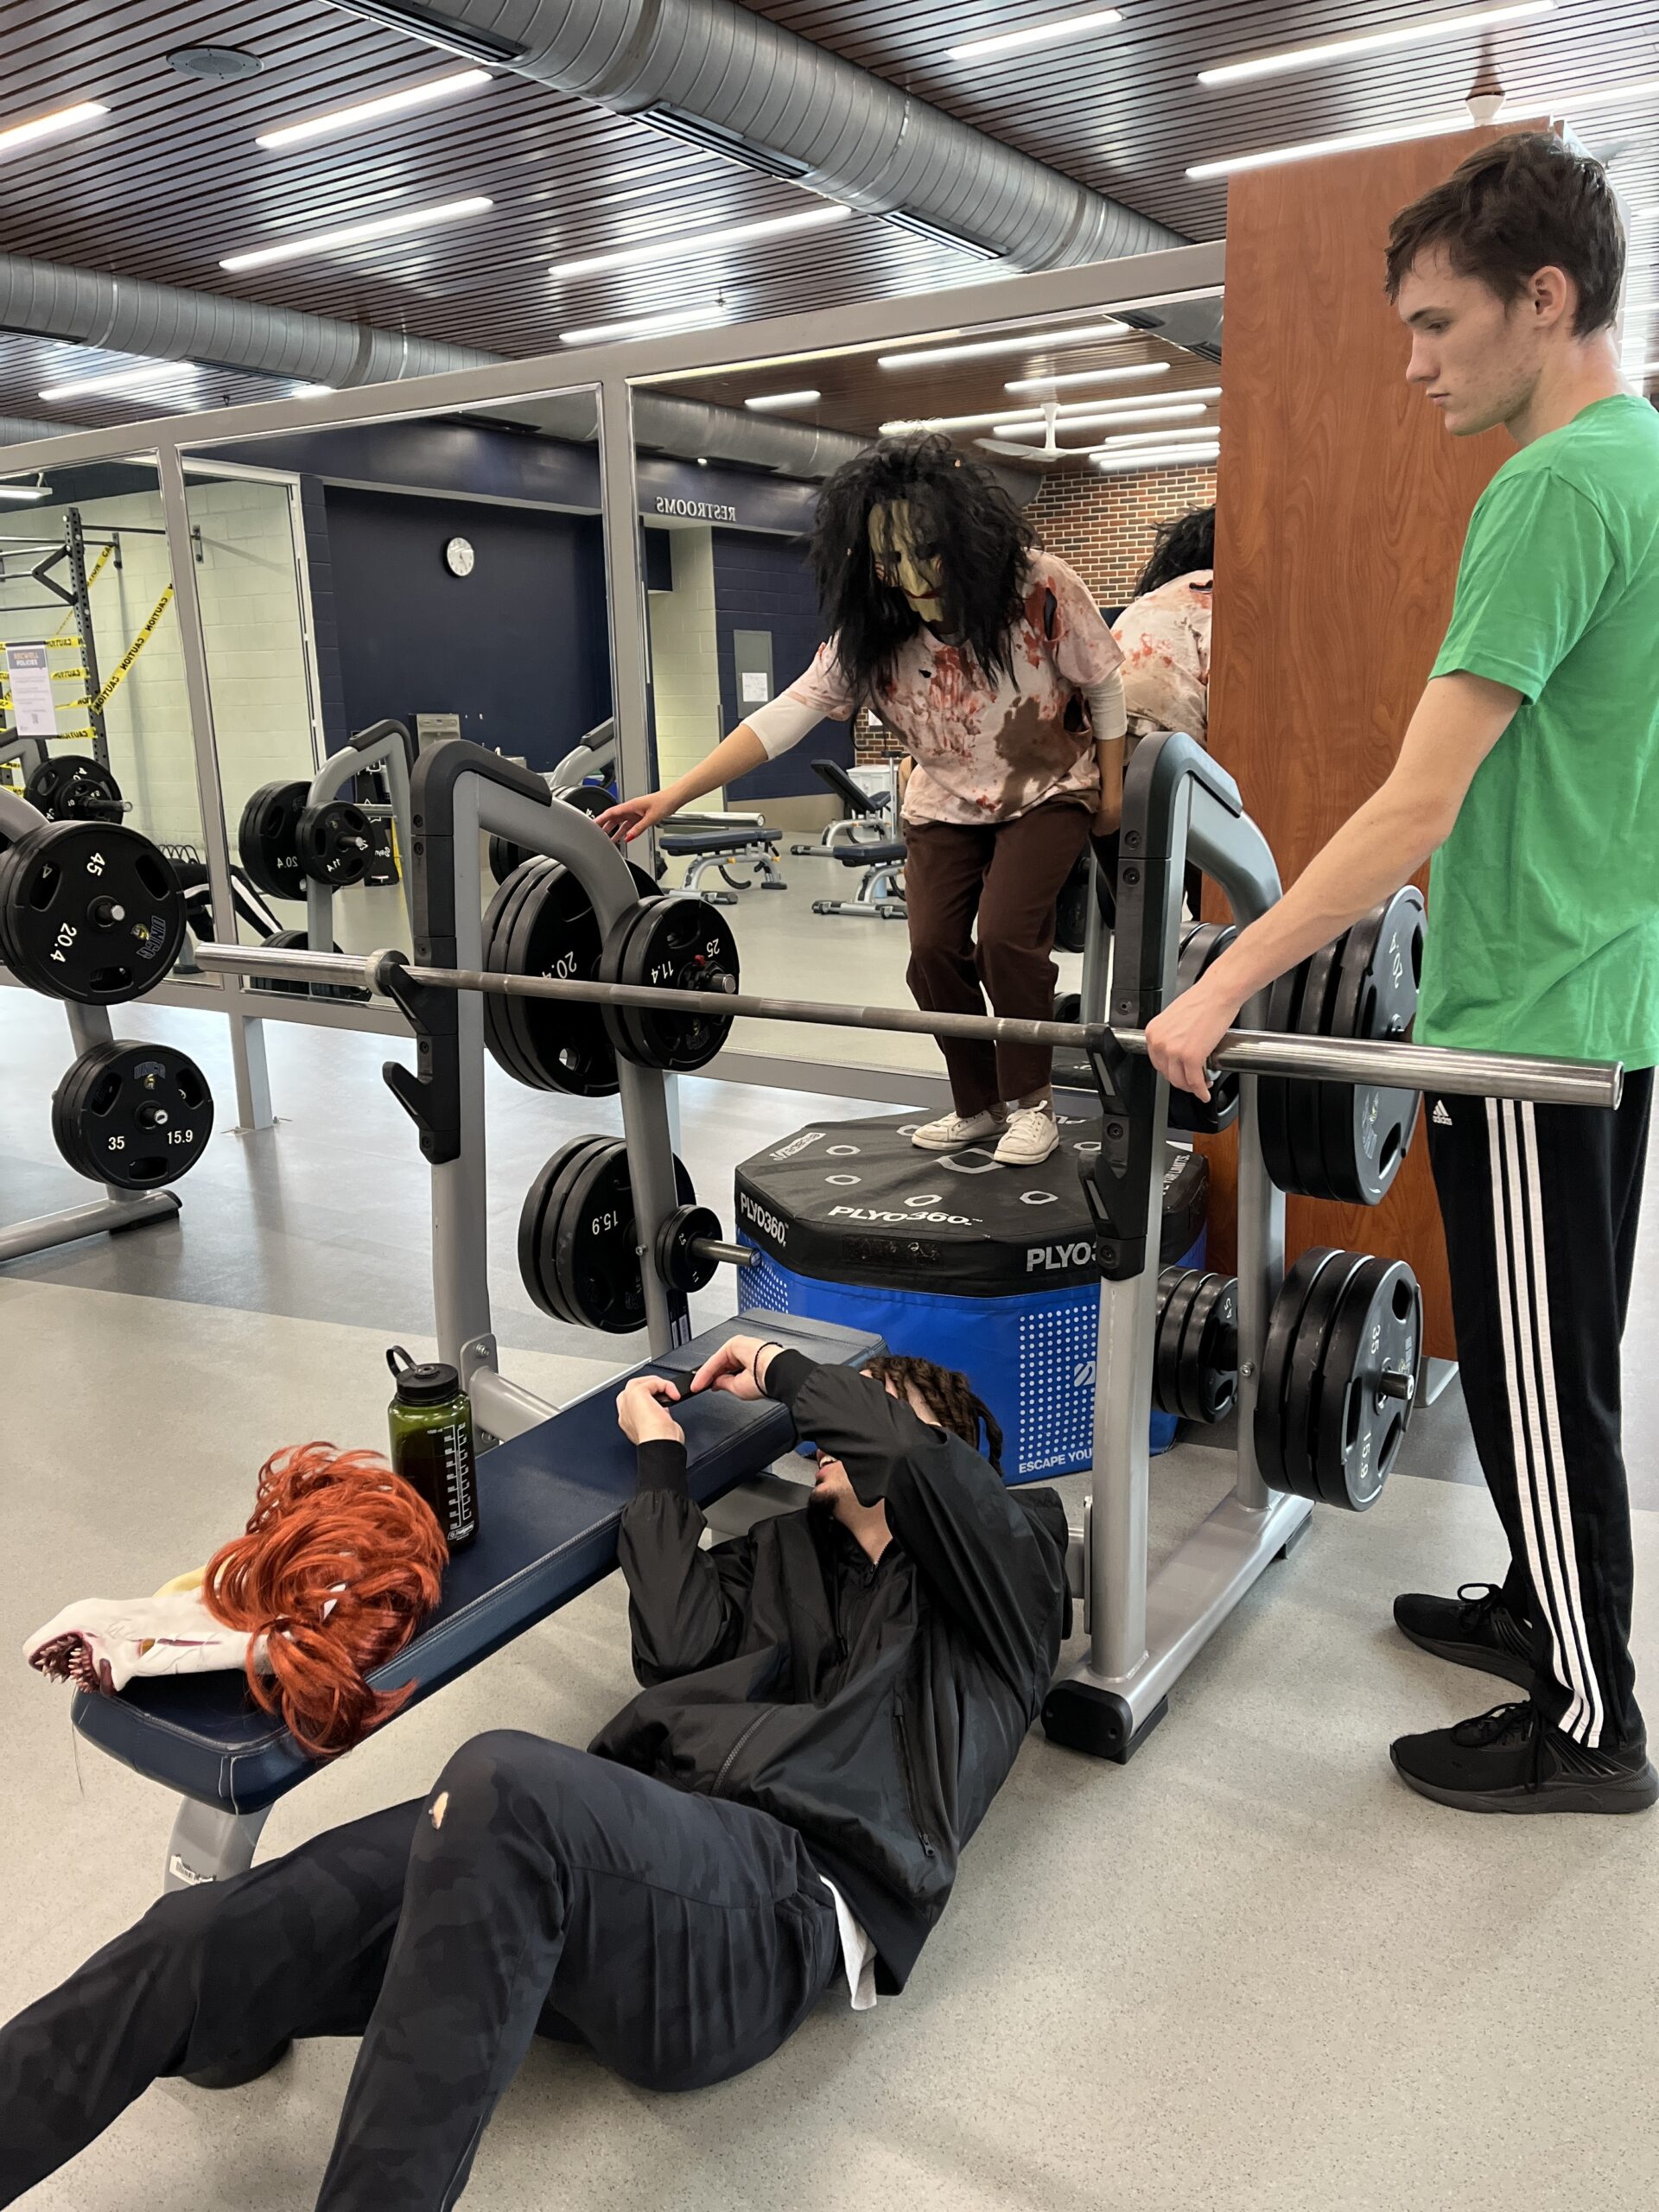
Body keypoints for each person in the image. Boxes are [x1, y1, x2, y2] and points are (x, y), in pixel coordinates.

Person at [0, 1342, 1070, 2208]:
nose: (824, 1436)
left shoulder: (1009, 1570)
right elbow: (678, 1644)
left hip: (780, 1904)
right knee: (200, 1935)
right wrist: (660, 1459)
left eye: (864, 1407)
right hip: (604, 1868)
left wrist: (788, 1370)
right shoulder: (789, 1548)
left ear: (939, 1438)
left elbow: (923, 1474)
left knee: (504, 1780)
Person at [1145, 132, 1659, 1815]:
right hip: (1608, 995)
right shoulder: (1647, 463)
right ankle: (1541, 1603)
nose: (1417, 362)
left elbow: (1418, 803)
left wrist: (1223, 982)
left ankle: (1591, 1719)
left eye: (1439, 325)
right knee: (1547, 1349)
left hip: (1529, 1020)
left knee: (1531, 1364)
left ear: (1546, 298)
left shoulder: (1553, 487)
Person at [600, 434, 1127, 1167]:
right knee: (932, 952)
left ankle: (1033, 1107)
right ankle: (978, 1105)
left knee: (1007, 937)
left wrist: (1112, 792)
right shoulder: (871, 630)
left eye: (928, 554)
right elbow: (783, 717)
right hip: (943, 801)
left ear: (968, 538)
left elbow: (1102, 684)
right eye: (890, 563)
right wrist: (675, 793)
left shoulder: (1038, 589)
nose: (912, 581)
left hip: (1047, 789)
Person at [1111, 503, 1215, 753]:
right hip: (1166, 741)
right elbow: (1228, 701)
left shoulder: (1156, 597)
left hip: (1106, 734)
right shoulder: (1211, 593)